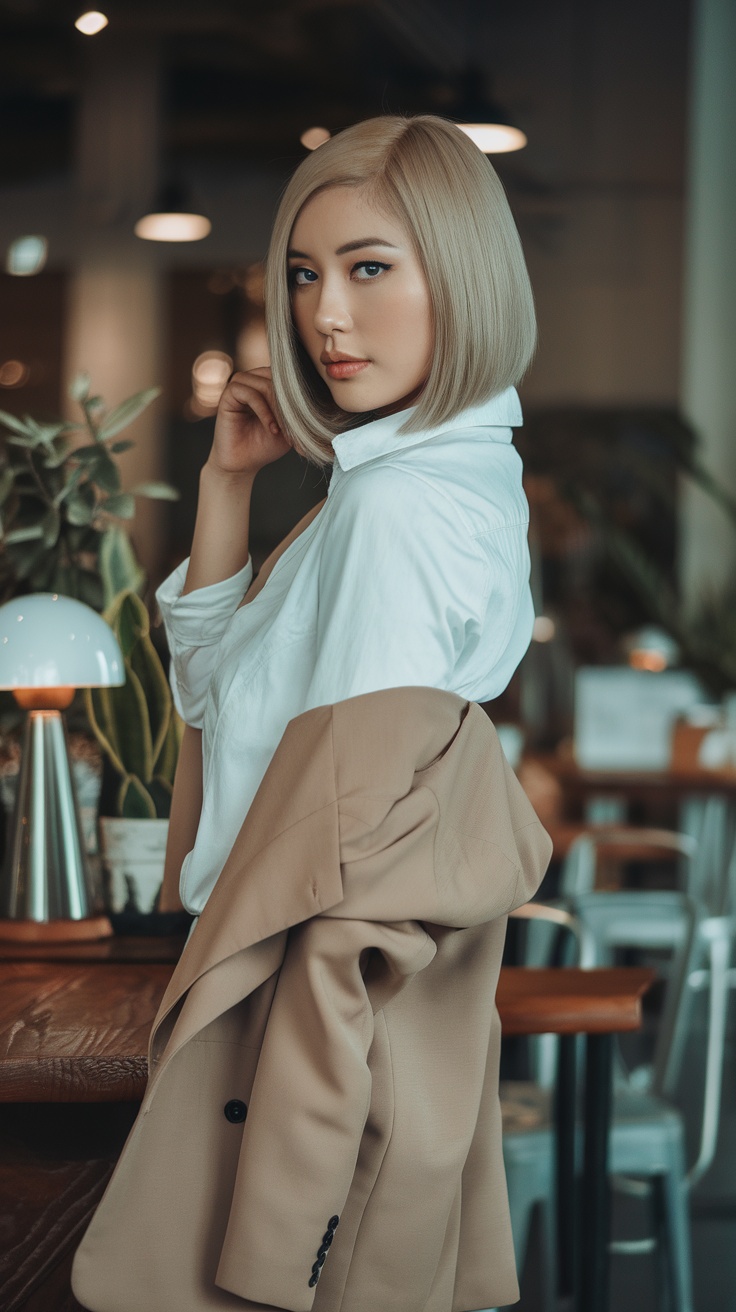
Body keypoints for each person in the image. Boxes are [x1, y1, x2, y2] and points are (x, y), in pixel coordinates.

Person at [156, 111, 537, 921]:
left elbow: (336, 830)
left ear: (460, 276)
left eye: (367, 268)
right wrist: (227, 486)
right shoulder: (432, 478)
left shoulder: (395, 501)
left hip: (281, 974)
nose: (325, 314)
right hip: (268, 957)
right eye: (303, 274)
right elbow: (205, 696)